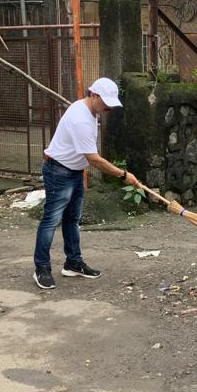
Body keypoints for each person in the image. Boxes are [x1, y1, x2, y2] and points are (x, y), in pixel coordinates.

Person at [33, 77, 141, 290]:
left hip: (73, 171)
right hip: (58, 171)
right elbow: (94, 159)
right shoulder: (80, 118)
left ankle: (73, 263)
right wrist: (123, 175)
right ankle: (41, 268)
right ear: (94, 95)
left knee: (72, 219)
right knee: (51, 220)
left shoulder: (90, 111)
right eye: (106, 102)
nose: (108, 107)